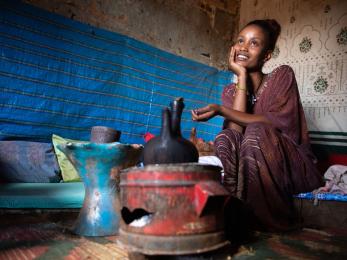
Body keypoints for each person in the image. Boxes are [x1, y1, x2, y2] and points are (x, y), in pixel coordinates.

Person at [191, 19, 323, 232]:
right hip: (250, 159)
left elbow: (271, 123)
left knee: (257, 131)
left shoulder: (282, 75)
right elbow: (234, 134)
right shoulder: (229, 91)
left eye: (254, 43)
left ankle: (266, 221)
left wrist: (222, 110)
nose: (243, 47)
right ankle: (231, 210)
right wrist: (241, 76)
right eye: (240, 40)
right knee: (225, 137)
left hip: (290, 164)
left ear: (267, 55)